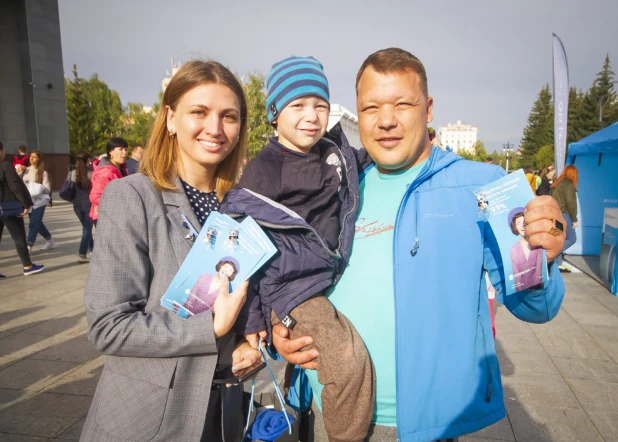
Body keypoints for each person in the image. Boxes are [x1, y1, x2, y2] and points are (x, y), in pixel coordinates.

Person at [271, 48, 566, 442]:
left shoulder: (485, 185)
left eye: (402, 104)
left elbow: (536, 307)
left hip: (422, 426)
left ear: (427, 109)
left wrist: (543, 259)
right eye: (371, 107)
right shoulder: (338, 185)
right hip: (327, 409)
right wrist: (281, 332)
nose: (387, 120)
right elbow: (289, 270)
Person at [80, 60, 262, 442]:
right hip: (148, 419)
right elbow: (109, 328)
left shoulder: (243, 207)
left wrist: (251, 341)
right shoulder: (132, 197)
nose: (215, 128)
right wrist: (210, 328)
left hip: (224, 410)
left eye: (229, 116)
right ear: (170, 118)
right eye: (199, 112)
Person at [221, 55, 375, 442]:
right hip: (290, 288)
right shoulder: (264, 171)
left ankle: (303, 403)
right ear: (274, 113)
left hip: (321, 275)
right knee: (346, 360)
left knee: (319, 365)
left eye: (320, 106)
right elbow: (242, 251)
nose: (311, 115)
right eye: (298, 105)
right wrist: (254, 321)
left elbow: (364, 158)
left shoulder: (332, 154)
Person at [0, 141, 44, 278]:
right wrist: (25, 203)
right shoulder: (5, 165)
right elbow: (15, 185)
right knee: (18, 236)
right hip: (9, 206)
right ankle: (28, 266)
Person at [89, 137, 129, 225]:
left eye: (126, 149)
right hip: (106, 217)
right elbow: (95, 197)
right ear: (111, 152)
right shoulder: (105, 172)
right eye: (121, 149)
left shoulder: (122, 168)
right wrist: (116, 205)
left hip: (118, 215)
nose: (124, 153)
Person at [22, 150, 55, 251]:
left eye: (34, 157)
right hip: (29, 200)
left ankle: (29, 245)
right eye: (30, 156)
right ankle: (49, 240)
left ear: (39, 159)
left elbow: (47, 189)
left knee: (33, 223)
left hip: (40, 201)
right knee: (37, 223)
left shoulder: (43, 173)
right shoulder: (25, 170)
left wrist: (36, 188)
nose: (31, 158)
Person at [550, 164, 578, 271]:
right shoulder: (568, 184)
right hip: (564, 215)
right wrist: (574, 219)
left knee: (557, 239)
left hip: (554, 214)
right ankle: (550, 253)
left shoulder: (557, 183)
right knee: (571, 239)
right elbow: (571, 203)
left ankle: (557, 264)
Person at [508, 208, 543, 291]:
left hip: (539, 290)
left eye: (524, 222)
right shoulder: (513, 249)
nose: (522, 226)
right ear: (515, 227)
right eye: (518, 223)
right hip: (520, 293)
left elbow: (539, 269)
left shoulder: (538, 244)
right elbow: (516, 275)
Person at [70, 151, 94, 262]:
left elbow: (67, 188)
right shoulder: (91, 174)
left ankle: (92, 249)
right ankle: (82, 254)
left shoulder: (72, 173)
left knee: (86, 228)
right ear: (88, 160)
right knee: (87, 229)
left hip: (76, 204)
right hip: (88, 204)